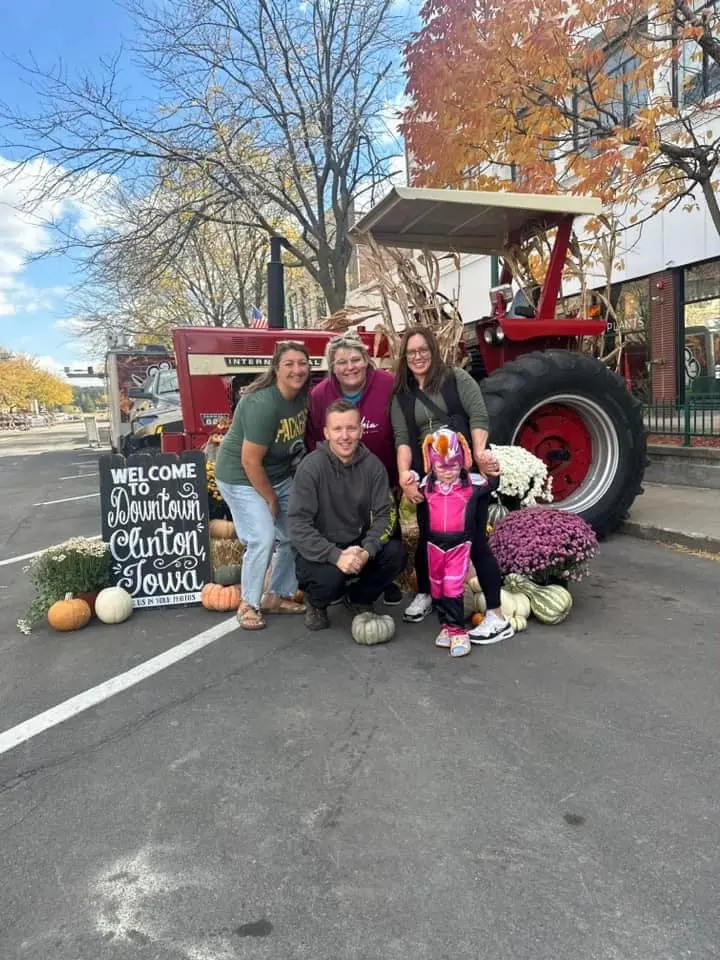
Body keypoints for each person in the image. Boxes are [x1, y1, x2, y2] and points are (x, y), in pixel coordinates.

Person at [390, 325, 512, 644]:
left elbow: (478, 417)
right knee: (429, 537)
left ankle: (497, 615)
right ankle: (429, 594)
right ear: (404, 357)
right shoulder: (401, 393)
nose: (417, 357)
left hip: (463, 474)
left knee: (473, 540)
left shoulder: (456, 379)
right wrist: (405, 476)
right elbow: (403, 439)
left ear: (433, 351)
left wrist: (481, 455)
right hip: (429, 478)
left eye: (423, 350)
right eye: (411, 352)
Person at [215, 340, 310, 631]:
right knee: (263, 537)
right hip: (242, 477)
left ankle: (275, 595)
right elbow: (249, 461)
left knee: (297, 533)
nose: (297, 370)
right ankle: (248, 604)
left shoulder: (300, 397)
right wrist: (270, 499)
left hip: (278, 475)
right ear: (276, 368)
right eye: (289, 364)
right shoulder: (262, 404)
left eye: (302, 363)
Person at [288, 400, 405, 631]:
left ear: (360, 430)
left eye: (351, 428)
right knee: (330, 579)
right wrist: (334, 555)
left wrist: (367, 550)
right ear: (326, 433)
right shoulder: (311, 468)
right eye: (337, 429)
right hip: (319, 549)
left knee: (395, 553)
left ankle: (359, 597)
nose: (345, 436)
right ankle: (317, 602)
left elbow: (386, 515)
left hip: (356, 543)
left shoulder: (373, 467)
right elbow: (297, 525)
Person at [306, 333, 402, 606]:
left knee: (387, 526)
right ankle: (338, 576)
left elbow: (401, 430)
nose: (350, 367)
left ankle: (384, 580)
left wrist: (400, 473)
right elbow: (314, 437)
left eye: (356, 359)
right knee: (340, 525)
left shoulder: (388, 385)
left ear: (366, 359)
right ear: (332, 367)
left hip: (383, 474)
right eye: (341, 362)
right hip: (338, 478)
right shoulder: (320, 395)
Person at [420, 427, 511, 657]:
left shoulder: (472, 485)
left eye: (453, 466)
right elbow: (411, 493)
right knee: (438, 587)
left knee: (452, 587)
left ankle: (458, 631)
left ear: (462, 462)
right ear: (431, 464)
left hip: (459, 545)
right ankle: (445, 627)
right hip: (433, 545)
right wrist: (409, 481)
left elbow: (493, 483)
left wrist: (491, 465)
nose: (448, 472)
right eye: (441, 467)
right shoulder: (426, 486)